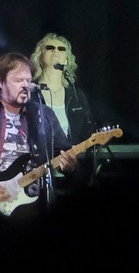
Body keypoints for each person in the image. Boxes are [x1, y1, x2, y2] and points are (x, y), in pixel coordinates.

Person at [0, 52, 79, 208]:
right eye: (18, 80)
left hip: (37, 204)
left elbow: (64, 154)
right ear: (1, 82)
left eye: (28, 80)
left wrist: (70, 166)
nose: (25, 86)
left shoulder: (44, 115)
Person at [30, 32, 96, 184]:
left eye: (61, 49)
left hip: (71, 174)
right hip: (37, 174)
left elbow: (87, 133)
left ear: (67, 59)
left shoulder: (77, 96)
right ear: (40, 56)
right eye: (50, 47)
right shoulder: (30, 93)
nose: (56, 51)